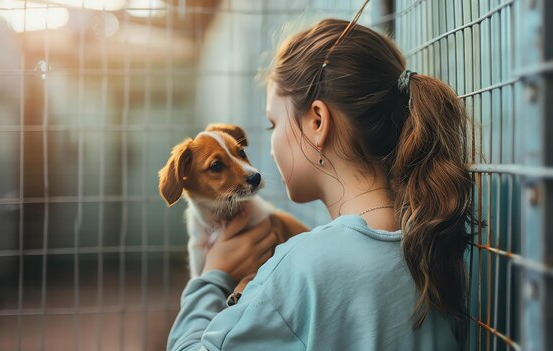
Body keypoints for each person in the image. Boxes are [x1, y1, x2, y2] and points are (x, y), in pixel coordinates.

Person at [167, 14, 474, 351]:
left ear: (317, 121)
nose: (270, 145)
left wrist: (213, 276)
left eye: (273, 124)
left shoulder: (300, 270)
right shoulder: (434, 243)